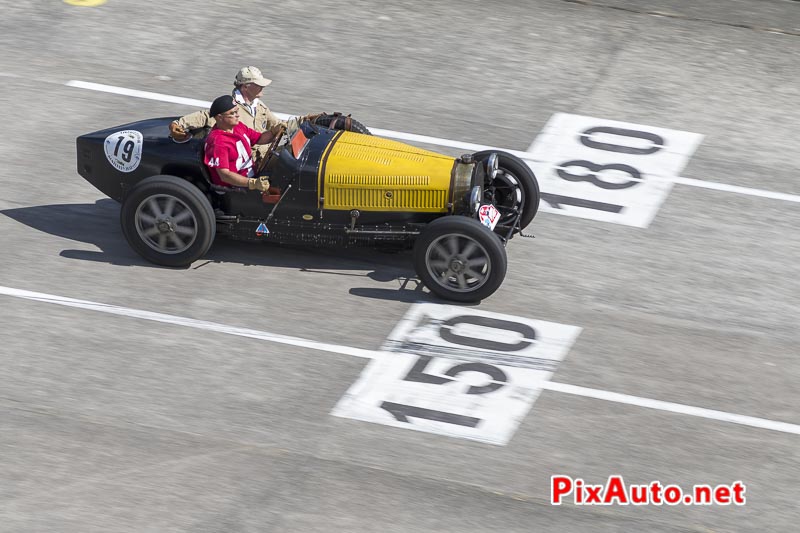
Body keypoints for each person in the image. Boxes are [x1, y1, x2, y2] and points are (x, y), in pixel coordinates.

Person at [169, 66, 320, 167]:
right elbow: (204, 116)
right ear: (246, 86)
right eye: (258, 84)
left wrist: (307, 119)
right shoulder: (230, 109)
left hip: (267, 154)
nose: (263, 86)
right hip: (251, 162)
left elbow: (279, 124)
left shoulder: (259, 106)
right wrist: (177, 124)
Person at [203, 95, 276, 192]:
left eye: (237, 111)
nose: (237, 115)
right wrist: (253, 183)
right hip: (236, 188)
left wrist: (274, 132)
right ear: (219, 117)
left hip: (252, 177)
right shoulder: (218, 142)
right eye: (233, 113)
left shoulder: (238, 126)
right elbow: (225, 175)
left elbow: (260, 138)